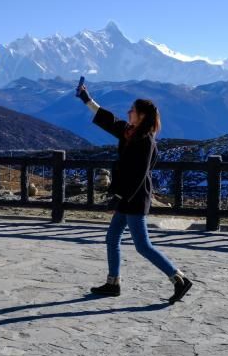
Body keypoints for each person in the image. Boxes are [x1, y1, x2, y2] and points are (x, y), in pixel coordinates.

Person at [76, 82, 192, 304]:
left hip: (135, 197)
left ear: (141, 116)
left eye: (132, 110)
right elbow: (108, 119)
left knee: (142, 245)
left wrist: (119, 197)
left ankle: (179, 278)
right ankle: (113, 283)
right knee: (112, 238)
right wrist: (86, 99)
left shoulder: (146, 141)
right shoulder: (129, 132)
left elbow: (139, 174)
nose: (128, 112)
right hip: (126, 197)